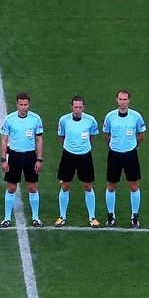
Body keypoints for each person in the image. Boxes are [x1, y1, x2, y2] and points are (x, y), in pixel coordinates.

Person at [101, 89, 147, 227]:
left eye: (125, 99)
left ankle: (134, 216)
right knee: (111, 185)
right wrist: (113, 146)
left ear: (129, 100)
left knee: (133, 185)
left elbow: (141, 135)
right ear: (116, 100)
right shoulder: (110, 117)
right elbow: (106, 134)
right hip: (114, 154)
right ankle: (111, 215)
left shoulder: (136, 116)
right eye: (120, 99)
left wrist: (132, 146)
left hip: (130, 154)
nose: (122, 102)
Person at [55, 94, 100, 228]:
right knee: (65, 186)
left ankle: (92, 217)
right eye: (75, 107)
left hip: (85, 156)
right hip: (68, 155)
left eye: (80, 107)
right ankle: (62, 216)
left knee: (87, 185)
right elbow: (62, 136)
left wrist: (85, 148)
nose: (78, 110)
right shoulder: (64, 120)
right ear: (71, 107)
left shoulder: (90, 120)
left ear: (83, 108)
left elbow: (92, 136)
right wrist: (70, 147)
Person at [0, 92, 44, 228]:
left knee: (32, 186)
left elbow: (39, 140)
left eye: (26, 104)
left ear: (28, 104)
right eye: (21, 104)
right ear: (17, 104)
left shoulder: (35, 119)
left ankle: (36, 218)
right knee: (12, 187)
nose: (24, 107)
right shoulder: (9, 119)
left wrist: (39, 159)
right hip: (14, 155)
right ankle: (7, 218)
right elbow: (4, 140)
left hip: (30, 156)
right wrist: (3, 159)